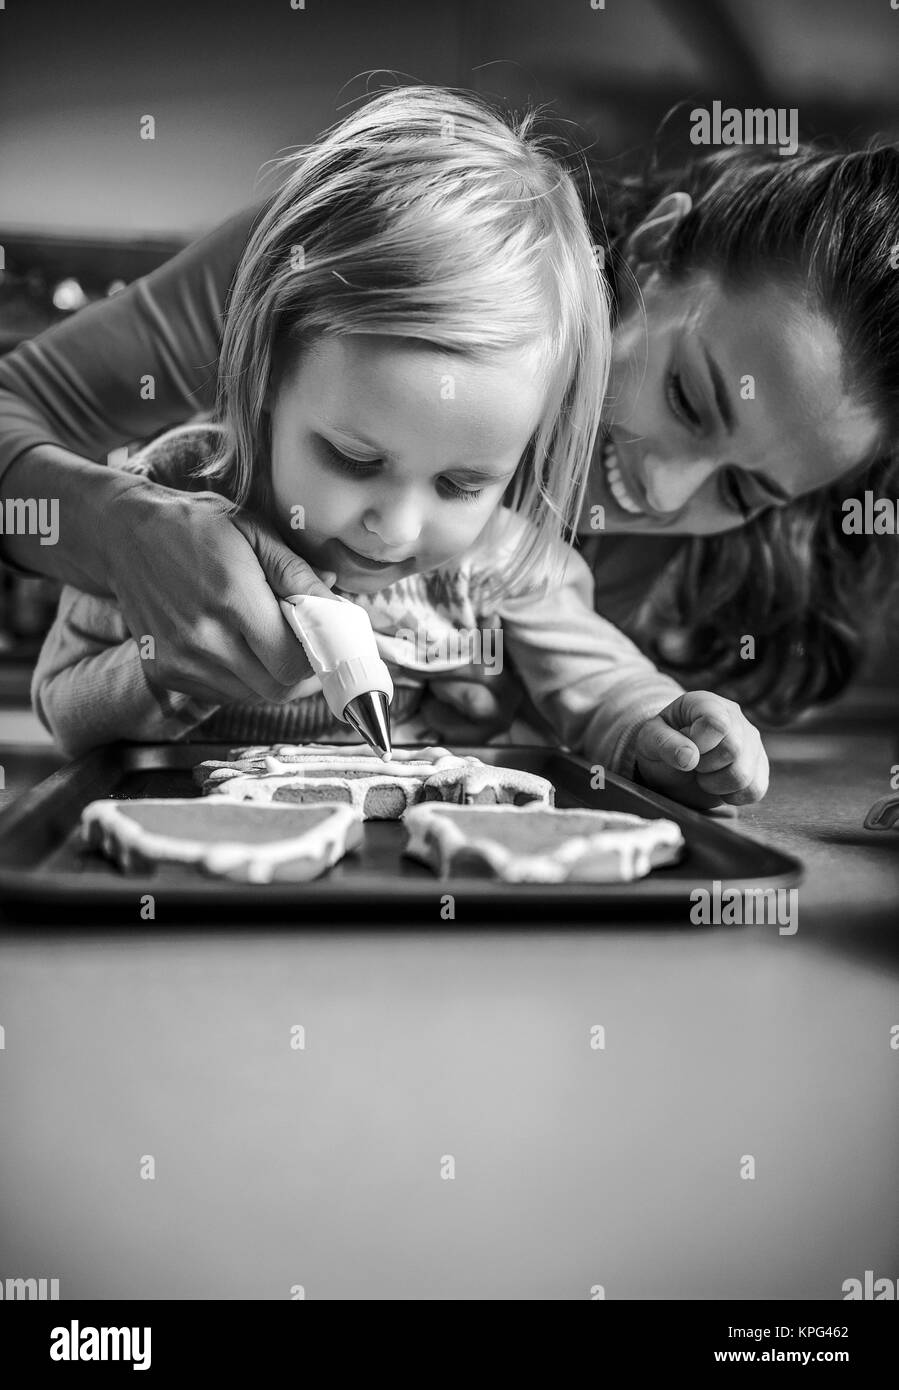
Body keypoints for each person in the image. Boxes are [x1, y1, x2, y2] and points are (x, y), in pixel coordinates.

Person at [20, 86, 768, 809]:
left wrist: (663, 732)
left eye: (462, 484)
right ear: (265, 376)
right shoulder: (173, 497)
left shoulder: (504, 566)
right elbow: (64, 712)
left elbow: (602, 686)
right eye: (354, 460)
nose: (398, 529)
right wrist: (172, 673)